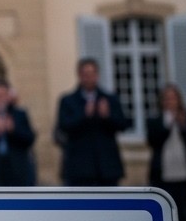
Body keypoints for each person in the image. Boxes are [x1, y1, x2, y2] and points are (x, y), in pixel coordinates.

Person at [56, 58, 131, 186]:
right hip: (79, 168)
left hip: (107, 167)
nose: (89, 78)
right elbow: (63, 126)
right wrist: (83, 115)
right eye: (86, 74)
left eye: (92, 74)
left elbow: (123, 124)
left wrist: (107, 115)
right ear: (80, 75)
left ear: (97, 75)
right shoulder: (68, 100)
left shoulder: (109, 99)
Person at [146, 84, 186, 221]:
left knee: (185, 211)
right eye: (167, 98)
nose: (170, 101)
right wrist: (168, 124)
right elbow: (153, 141)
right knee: (166, 211)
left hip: (185, 173)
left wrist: (183, 126)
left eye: (173, 98)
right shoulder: (155, 120)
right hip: (164, 173)